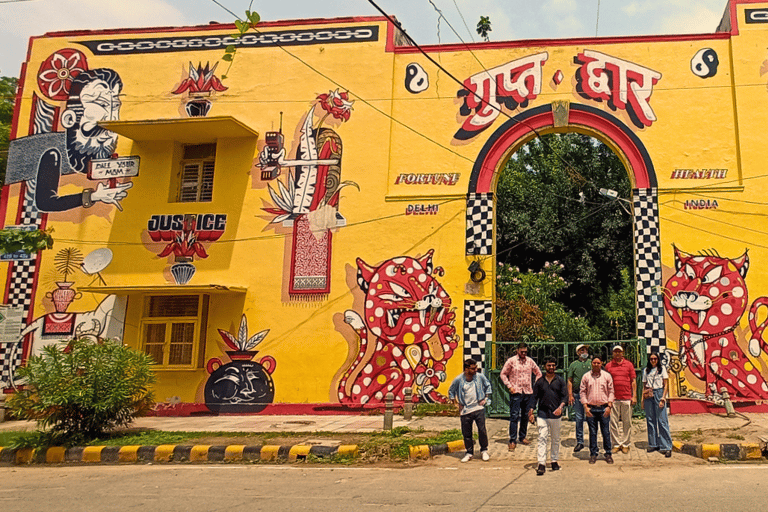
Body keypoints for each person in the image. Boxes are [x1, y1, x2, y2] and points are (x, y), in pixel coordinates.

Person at [500, 342, 542, 451]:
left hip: (528, 392)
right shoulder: (511, 361)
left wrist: (535, 385)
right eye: (522, 351)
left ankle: (522, 436)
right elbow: (503, 374)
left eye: (525, 352)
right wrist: (509, 386)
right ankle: (512, 440)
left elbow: (538, 373)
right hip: (516, 392)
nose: (523, 353)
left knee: (525, 416)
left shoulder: (530, 361)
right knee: (514, 416)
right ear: (517, 350)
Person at [448, 358, 492, 463]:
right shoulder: (459, 379)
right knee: (466, 432)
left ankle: (484, 450)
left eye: (476, 367)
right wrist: (455, 403)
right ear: (466, 369)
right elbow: (451, 391)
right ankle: (469, 452)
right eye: (473, 368)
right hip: (465, 409)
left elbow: (488, 386)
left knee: (482, 430)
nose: (476, 370)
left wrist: (486, 398)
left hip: (478, 407)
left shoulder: (480, 377)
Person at [529, 356, 567, 475]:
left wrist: (561, 408)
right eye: (549, 365)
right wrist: (531, 412)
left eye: (553, 365)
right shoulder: (540, 382)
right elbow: (534, 397)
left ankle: (554, 461)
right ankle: (541, 463)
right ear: (544, 367)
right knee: (542, 438)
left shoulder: (560, 381)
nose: (551, 367)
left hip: (556, 415)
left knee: (555, 439)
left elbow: (565, 396)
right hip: (542, 414)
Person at [580, 356, 614, 464]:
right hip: (591, 409)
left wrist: (609, 406)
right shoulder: (586, 376)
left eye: (598, 363)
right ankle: (593, 454)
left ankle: (608, 453)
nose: (596, 365)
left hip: (604, 408)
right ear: (591, 364)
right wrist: (585, 407)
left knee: (606, 432)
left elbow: (611, 391)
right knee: (593, 433)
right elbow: (582, 392)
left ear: (601, 363)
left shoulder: (607, 376)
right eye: (594, 363)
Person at [604, 345, 637, 454]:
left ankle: (626, 444)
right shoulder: (608, 366)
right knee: (613, 423)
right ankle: (616, 444)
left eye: (619, 351)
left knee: (627, 422)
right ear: (613, 353)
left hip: (626, 397)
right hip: (613, 399)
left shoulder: (629, 365)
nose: (617, 353)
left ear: (623, 353)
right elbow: (605, 382)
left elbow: (633, 381)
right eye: (615, 352)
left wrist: (634, 396)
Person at [643, 353, 673, 457]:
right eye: (651, 359)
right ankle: (653, 443)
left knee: (662, 420)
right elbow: (644, 385)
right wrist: (643, 399)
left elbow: (666, 384)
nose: (653, 360)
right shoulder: (646, 370)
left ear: (658, 359)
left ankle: (667, 446)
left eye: (655, 358)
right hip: (649, 394)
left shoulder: (662, 369)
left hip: (659, 393)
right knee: (650, 420)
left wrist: (663, 397)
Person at [567, 343, 591, 453]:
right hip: (577, 395)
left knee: (592, 418)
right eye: (582, 350)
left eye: (585, 350)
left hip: (591, 395)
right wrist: (570, 395)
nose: (584, 352)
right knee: (579, 418)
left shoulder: (592, 363)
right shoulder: (573, 365)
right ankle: (580, 441)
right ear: (578, 353)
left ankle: (593, 441)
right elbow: (570, 380)